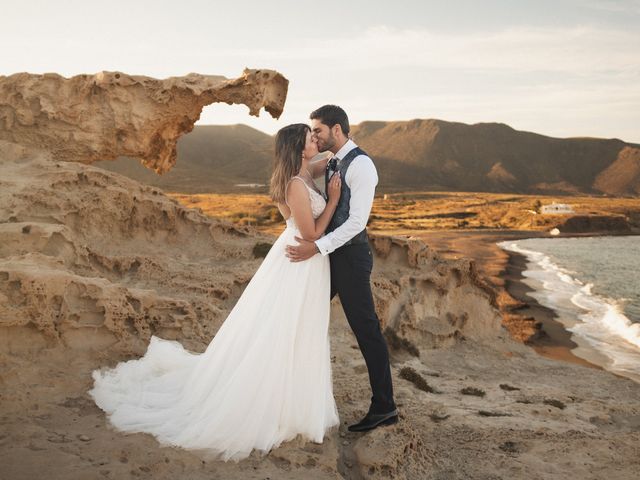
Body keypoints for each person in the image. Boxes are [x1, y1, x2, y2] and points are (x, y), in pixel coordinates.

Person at [89, 123, 342, 462]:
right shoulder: (296, 185)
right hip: (302, 256)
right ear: (298, 146)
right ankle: (271, 402)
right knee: (283, 330)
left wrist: (335, 152)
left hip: (305, 263)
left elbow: (320, 162)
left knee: (300, 330)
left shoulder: (302, 172)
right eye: (310, 137)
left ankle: (291, 398)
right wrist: (335, 199)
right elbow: (311, 233)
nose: (316, 140)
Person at [285, 105, 398, 432]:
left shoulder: (361, 165)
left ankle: (385, 407)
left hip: (349, 258)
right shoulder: (330, 160)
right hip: (327, 257)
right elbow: (297, 174)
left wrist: (316, 246)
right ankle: (288, 392)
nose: (314, 136)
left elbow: (356, 223)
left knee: (366, 330)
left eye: (317, 130)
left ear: (336, 129)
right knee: (299, 315)